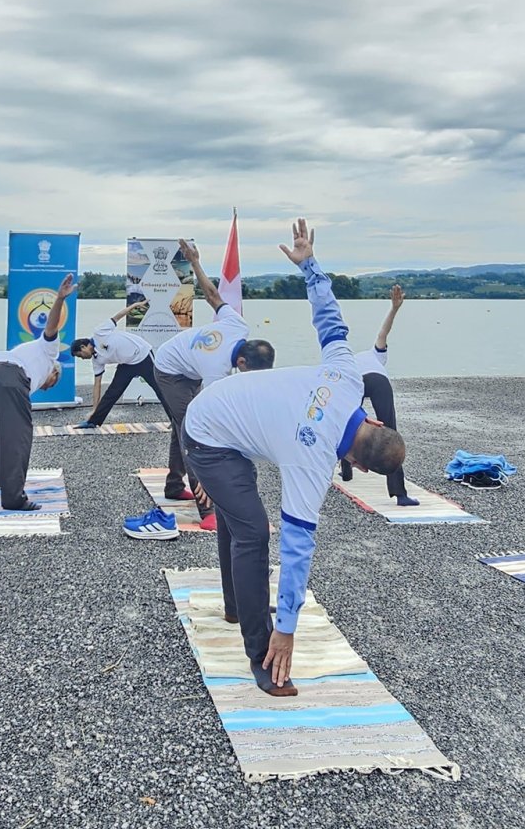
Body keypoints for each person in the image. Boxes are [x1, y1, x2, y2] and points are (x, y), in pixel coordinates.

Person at [184, 220, 407, 695]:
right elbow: (296, 549)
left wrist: (310, 264)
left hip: (221, 410)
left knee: (236, 514)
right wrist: (286, 628)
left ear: (376, 421)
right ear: (360, 467)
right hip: (205, 435)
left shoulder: (347, 377)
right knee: (251, 532)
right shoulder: (314, 465)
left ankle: (234, 604)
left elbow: (330, 318)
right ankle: (260, 654)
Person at [125, 238, 275, 539]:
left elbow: (212, 295)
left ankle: (173, 486)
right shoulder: (215, 369)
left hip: (187, 365)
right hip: (168, 369)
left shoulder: (238, 326)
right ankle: (207, 511)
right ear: (241, 361)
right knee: (192, 430)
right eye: (248, 373)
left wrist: (194, 262)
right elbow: (206, 420)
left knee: (181, 424)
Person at [0, 273, 75, 510]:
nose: (46, 387)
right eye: (51, 384)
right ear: (55, 373)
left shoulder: (23, 351)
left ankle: (2, 481)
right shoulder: (49, 354)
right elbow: (51, 327)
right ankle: (13, 498)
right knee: (19, 436)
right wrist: (59, 299)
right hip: (7, 375)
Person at [338, 284, 419, 507]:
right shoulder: (375, 355)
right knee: (390, 430)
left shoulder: (349, 359)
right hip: (374, 381)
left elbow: (383, 332)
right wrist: (394, 308)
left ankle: (346, 469)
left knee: (346, 426)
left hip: (352, 382)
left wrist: (394, 308)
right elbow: (383, 333)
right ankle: (399, 494)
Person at [71, 299, 164, 428]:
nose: (82, 358)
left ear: (83, 347)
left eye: (80, 355)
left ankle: (177, 420)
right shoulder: (96, 360)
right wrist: (94, 409)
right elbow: (97, 385)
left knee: (160, 389)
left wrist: (135, 305)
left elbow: (117, 317)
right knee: (112, 392)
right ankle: (93, 421)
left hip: (142, 355)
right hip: (126, 365)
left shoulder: (99, 333)